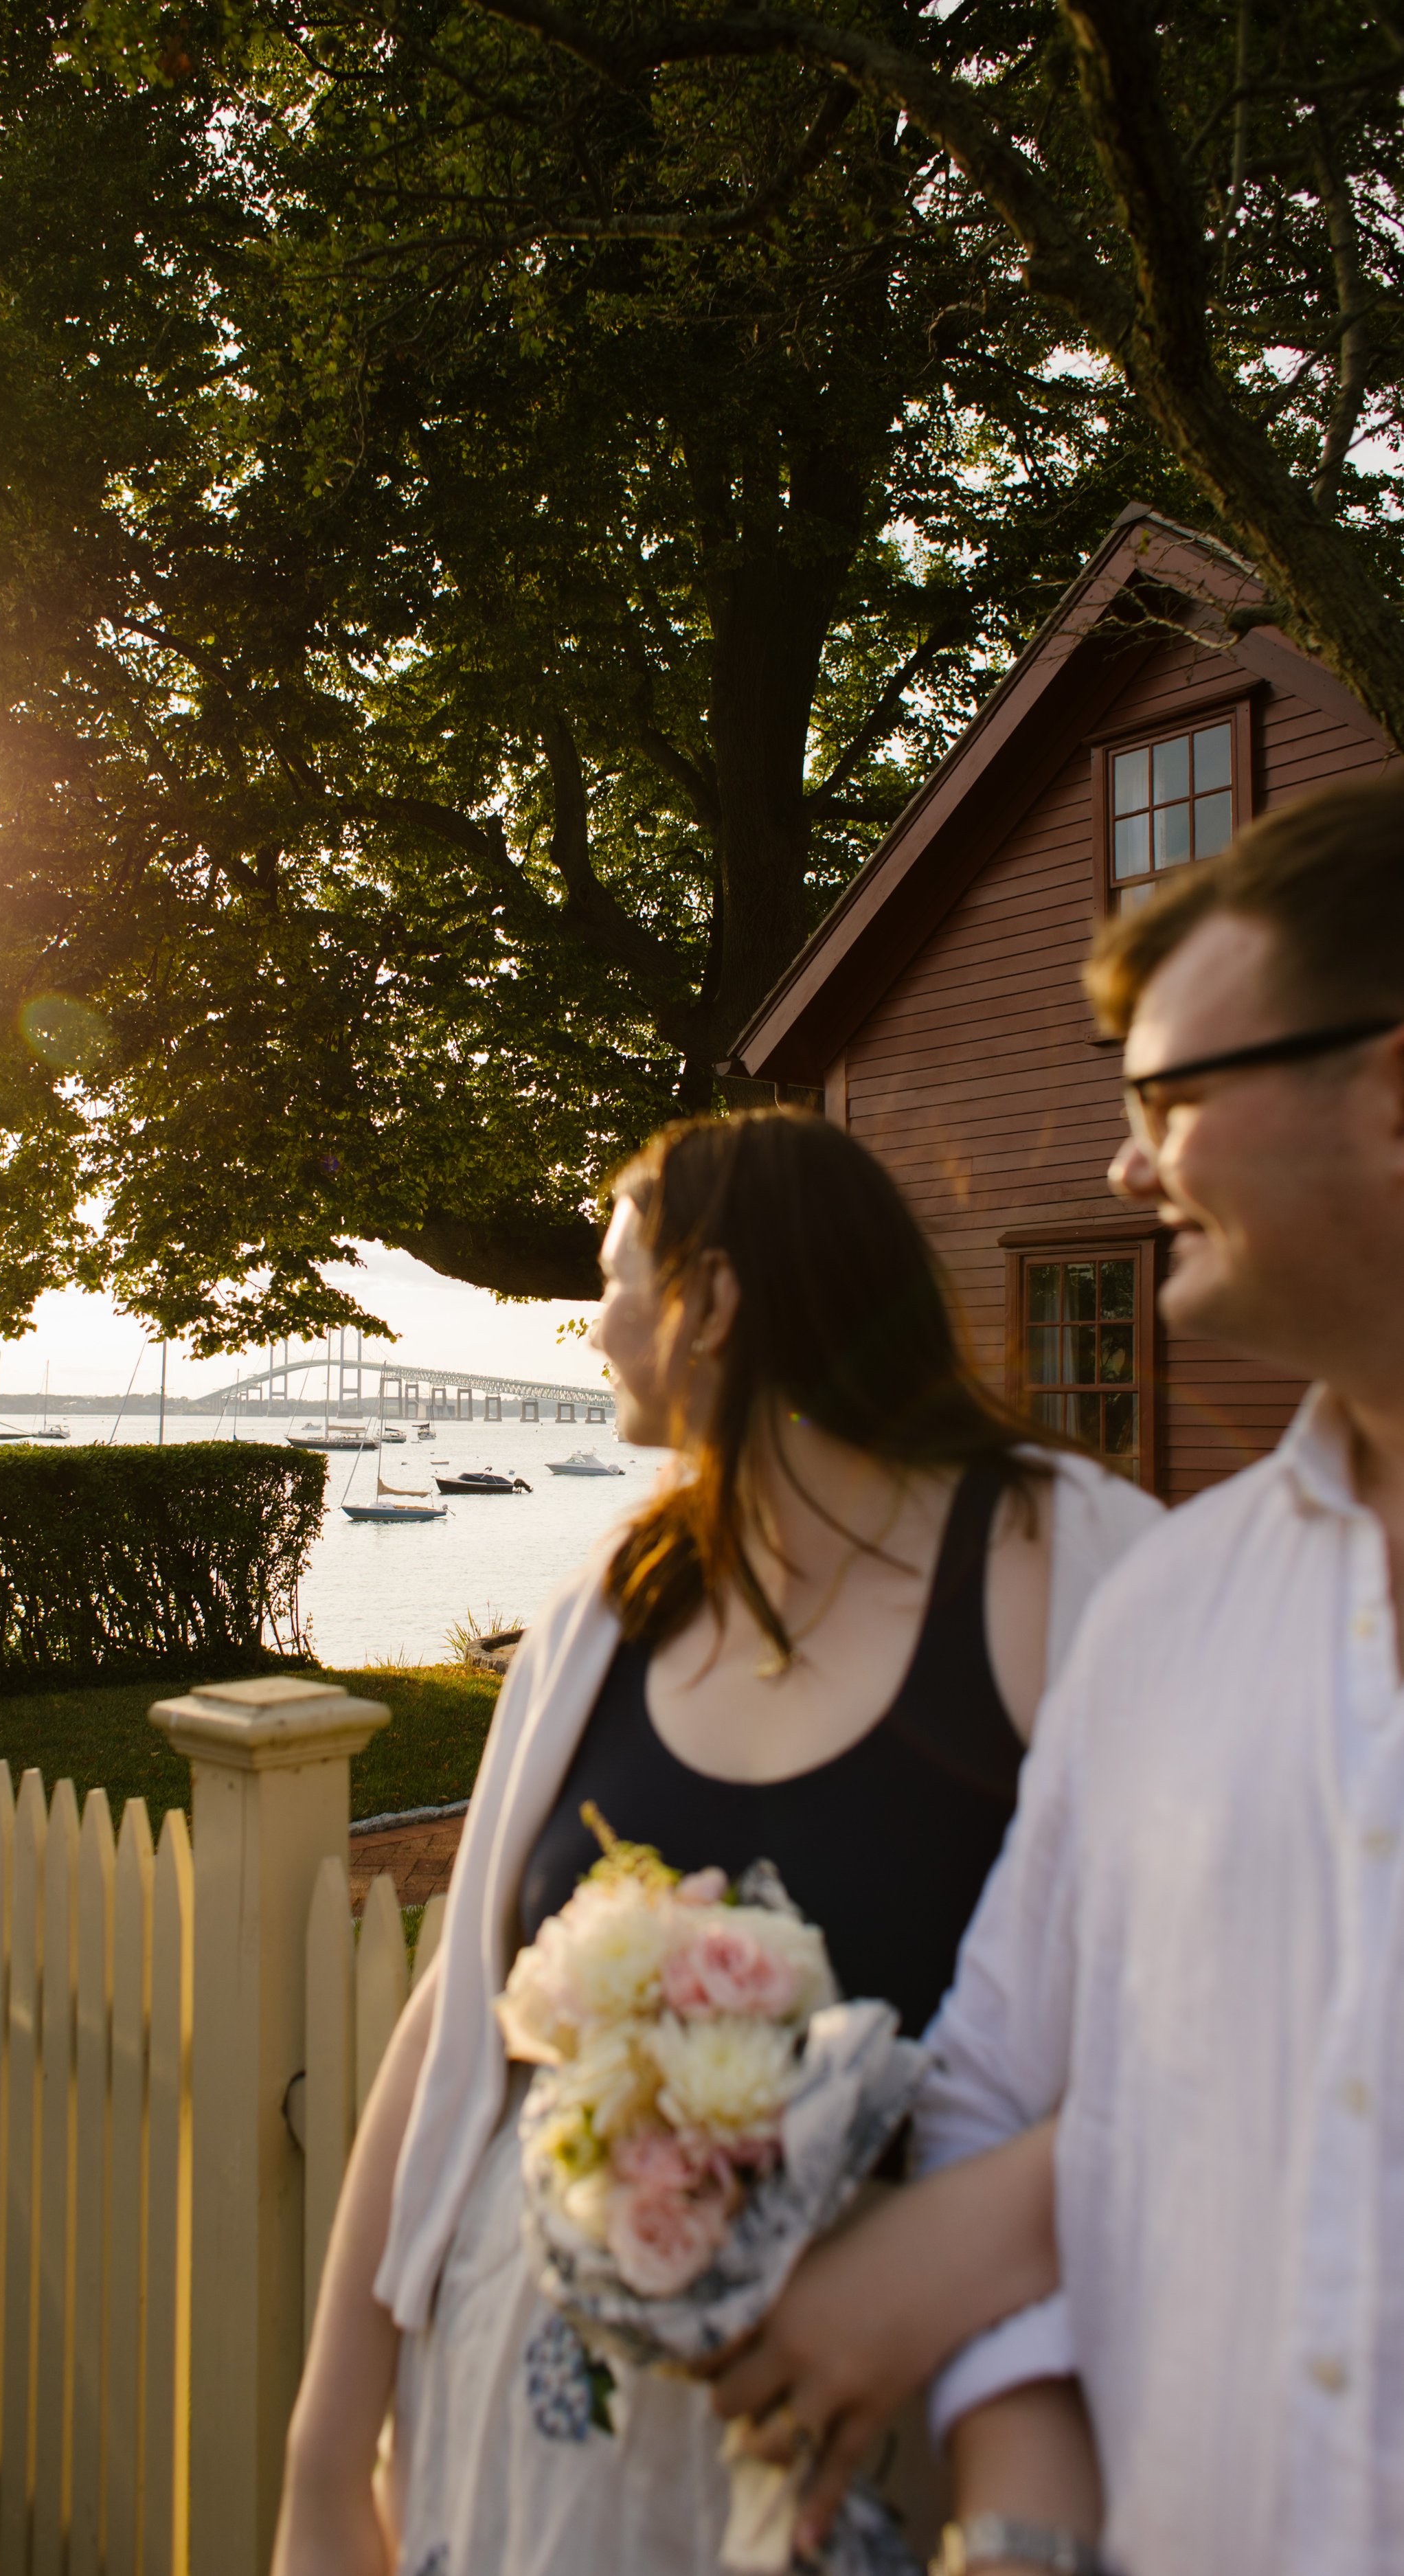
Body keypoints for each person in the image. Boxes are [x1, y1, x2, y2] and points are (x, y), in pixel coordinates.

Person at [271, 1108, 1158, 2576]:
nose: (596, 1326)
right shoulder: (612, 1606)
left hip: (889, 2467)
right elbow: (455, 2029)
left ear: (716, 1299)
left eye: (615, 1280)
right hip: (527, 2473)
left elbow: (1203, 2030)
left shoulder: (1064, 1566)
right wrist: (322, 2458)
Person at [710, 771, 1404, 2576]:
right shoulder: (1166, 1617)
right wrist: (1022, 2518)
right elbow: (992, 2083)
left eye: (1166, 1098)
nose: (1118, 1164)